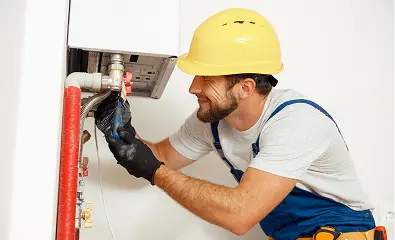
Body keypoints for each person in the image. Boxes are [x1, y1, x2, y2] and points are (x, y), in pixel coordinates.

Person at [94, 8, 376, 240]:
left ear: (245, 87)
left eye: (206, 78)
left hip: (341, 234)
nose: (193, 88)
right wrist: (121, 132)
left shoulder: (296, 123)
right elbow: (161, 157)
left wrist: (155, 172)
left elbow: (239, 214)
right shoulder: (213, 120)